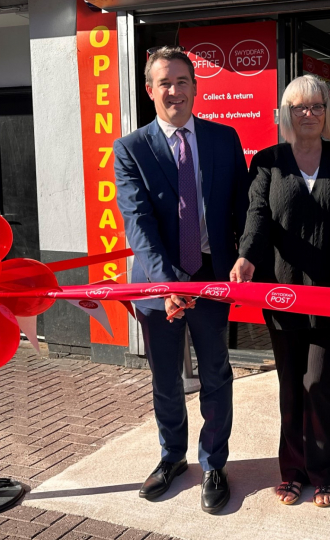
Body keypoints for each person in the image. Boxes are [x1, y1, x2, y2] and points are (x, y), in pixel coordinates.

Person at [113, 46, 248, 514]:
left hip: (211, 277)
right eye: (164, 82)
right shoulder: (130, 148)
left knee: (216, 374)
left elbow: (242, 208)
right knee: (165, 379)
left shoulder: (223, 139)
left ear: (195, 86)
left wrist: (245, 255)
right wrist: (169, 283)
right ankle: (172, 458)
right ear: (149, 90)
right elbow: (138, 223)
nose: (174, 90)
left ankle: (214, 464)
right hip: (156, 285)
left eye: (182, 81)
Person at [229, 75, 330, 508]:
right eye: (298, 107)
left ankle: (325, 471)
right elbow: (256, 215)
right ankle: (292, 470)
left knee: (321, 380)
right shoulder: (269, 161)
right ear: (286, 115)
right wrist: (246, 257)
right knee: (291, 382)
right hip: (282, 290)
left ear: (326, 112)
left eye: (315, 106)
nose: (307, 114)